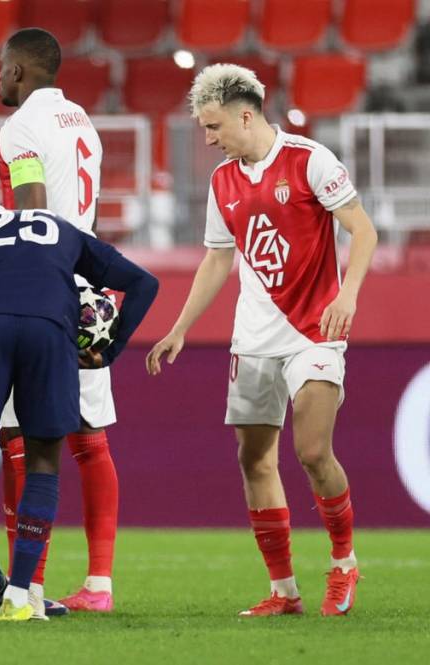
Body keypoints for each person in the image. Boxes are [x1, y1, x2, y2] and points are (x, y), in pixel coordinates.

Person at [145, 63, 378, 617]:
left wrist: (348, 297)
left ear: (246, 116)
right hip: (252, 338)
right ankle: (284, 592)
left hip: (314, 331)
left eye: (214, 126)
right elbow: (217, 258)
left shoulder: (309, 160)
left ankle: (343, 564)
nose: (209, 138)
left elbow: (363, 229)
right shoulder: (222, 181)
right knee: (255, 460)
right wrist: (180, 327)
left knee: (313, 451)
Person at [0, 207, 158, 621]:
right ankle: (20, 597)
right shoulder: (64, 231)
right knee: (42, 462)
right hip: (50, 330)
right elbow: (144, 282)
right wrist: (109, 352)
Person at [0, 27, 119, 614]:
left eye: (2, 67)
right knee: (89, 438)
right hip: (86, 287)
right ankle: (99, 585)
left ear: (19, 70)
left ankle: (29, 584)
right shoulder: (82, 121)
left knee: (19, 435)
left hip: (41, 285)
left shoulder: (21, 125)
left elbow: (34, 209)